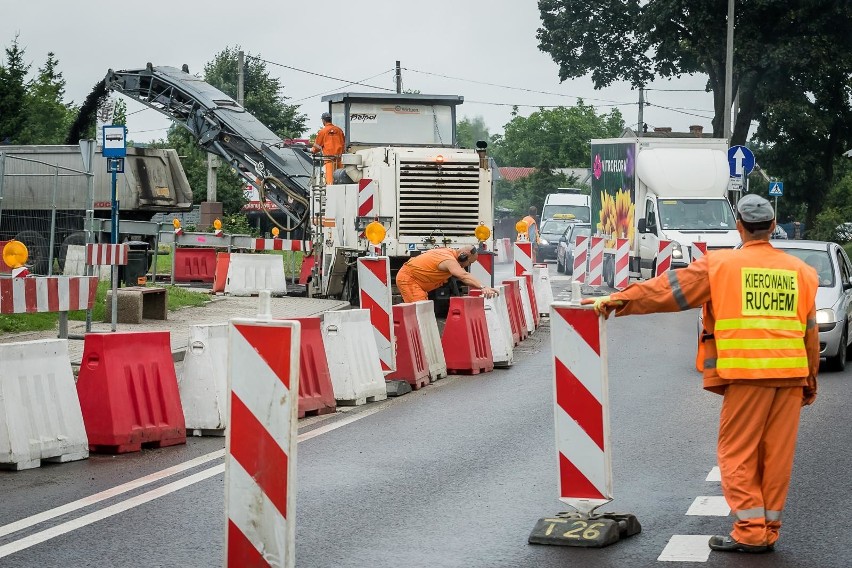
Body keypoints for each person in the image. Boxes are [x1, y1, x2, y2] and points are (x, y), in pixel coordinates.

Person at [583, 194, 819, 554]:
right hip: (790, 375)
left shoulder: (721, 265)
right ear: (773, 226)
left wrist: (618, 299)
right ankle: (767, 529)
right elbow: (810, 332)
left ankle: (751, 531)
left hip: (746, 374)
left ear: (739, 225)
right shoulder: (802, 272)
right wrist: (811, 380)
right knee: (776, 457)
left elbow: (668, 291)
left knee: (736, 454)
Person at [395, 246, 499, 303]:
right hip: (409, 280)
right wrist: (483, 287)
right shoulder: (448, 260)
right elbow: (463, 276)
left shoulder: (449, 252)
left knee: (422, 309)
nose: (467, 265)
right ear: (463, 257)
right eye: (470, 262)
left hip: (415, 280)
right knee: (419, 311)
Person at [310, 112, 345, 184]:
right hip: (340, 160)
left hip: (329, 161)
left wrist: (312, 150)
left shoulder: (323, 132)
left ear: (323, 120)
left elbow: (317, 147)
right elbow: (343, 143)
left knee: (330, 183)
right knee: (341, 181)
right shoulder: (339, 130)